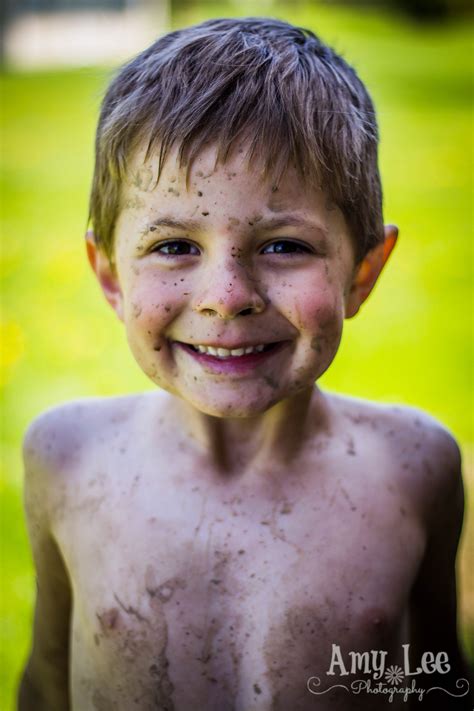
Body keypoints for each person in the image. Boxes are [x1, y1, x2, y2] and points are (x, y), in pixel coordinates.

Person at [17, 17, 471, 711]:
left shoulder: (416, 469)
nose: (226, 298)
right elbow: (45, 683)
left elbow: (439, 682)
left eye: (285, 245)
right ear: (109, 274)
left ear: (364, 272)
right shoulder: (67, 459)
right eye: (173, 246)